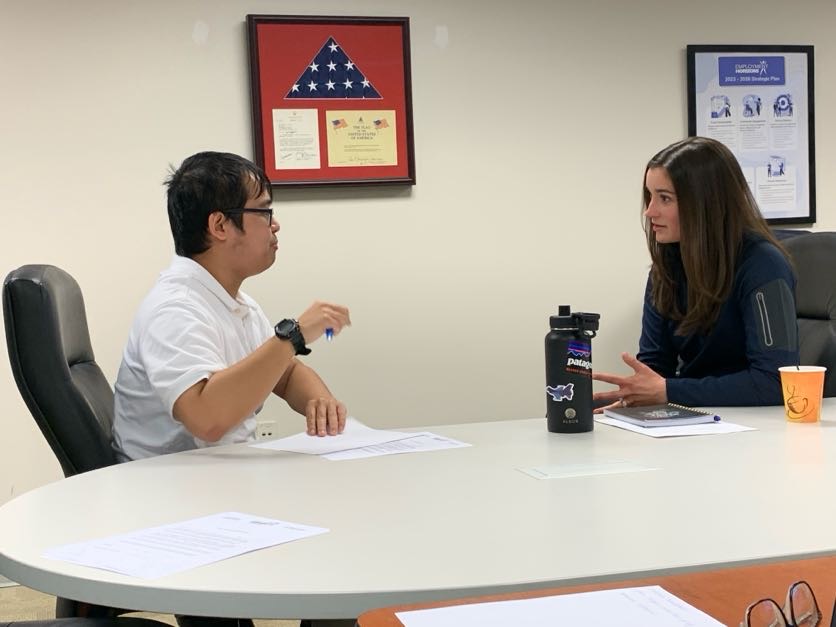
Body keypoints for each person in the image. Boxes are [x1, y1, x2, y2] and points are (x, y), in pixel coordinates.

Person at [111, 152, 354, 627]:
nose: (276, 225)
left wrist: (317, 399)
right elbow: (206, 415)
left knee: (349, 530)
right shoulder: (176, 309)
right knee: (342, 548)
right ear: (221, 225)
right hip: (175, 501)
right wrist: (294, 334)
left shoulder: (230, 300)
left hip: (215, 482)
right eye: (263, 212)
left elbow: (280, 372)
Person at [593, 137, 799, 411]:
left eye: (664, 198)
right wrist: (633, 396)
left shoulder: (763, 265)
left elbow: (775, 382)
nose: (649, 211)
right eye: (649, 196)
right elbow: (656, 367)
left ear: (705, 203)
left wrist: (667, 391)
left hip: (753, 425)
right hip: (693, 416)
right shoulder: (665, 268)